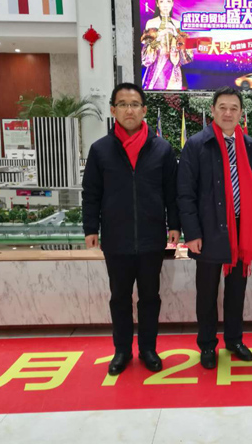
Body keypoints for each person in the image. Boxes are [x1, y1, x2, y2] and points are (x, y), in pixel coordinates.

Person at [82, 83, 180, 376]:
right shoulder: (100, 150)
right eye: (123, 104)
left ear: (144, 110)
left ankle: (148, 349)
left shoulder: (162, 149)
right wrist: (91, 227)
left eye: (135, 104)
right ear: (113, 110)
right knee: (119, 298)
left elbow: (172, 193)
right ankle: (122, 351)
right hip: (116, 239)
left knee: (150, 297)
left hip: (152, 238)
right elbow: (91, 193)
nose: (129, 110)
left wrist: (175, 225)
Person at [177, 86, 252, 369]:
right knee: (207, 292)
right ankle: (206, 344)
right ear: (212, 110)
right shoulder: (196, 145)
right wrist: (192, 233)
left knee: (237, 290)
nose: (228, 113)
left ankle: (235, 339)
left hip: (242, 230)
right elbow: (185, 193)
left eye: (234, 108)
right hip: (209, 230)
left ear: (241, 113)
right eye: (222, 107)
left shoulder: (249, 145)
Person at [141, 0, 193, 90]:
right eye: (161, 1)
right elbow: (146, 58)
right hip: (156, 71)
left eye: (168, 1)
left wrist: (176, 36)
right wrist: (158, 37)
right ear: (157, 4)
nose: (165, 4)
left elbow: (186, 57)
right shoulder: (151, 23)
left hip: (173, 72)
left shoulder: (177, 25)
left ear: (172, 3)